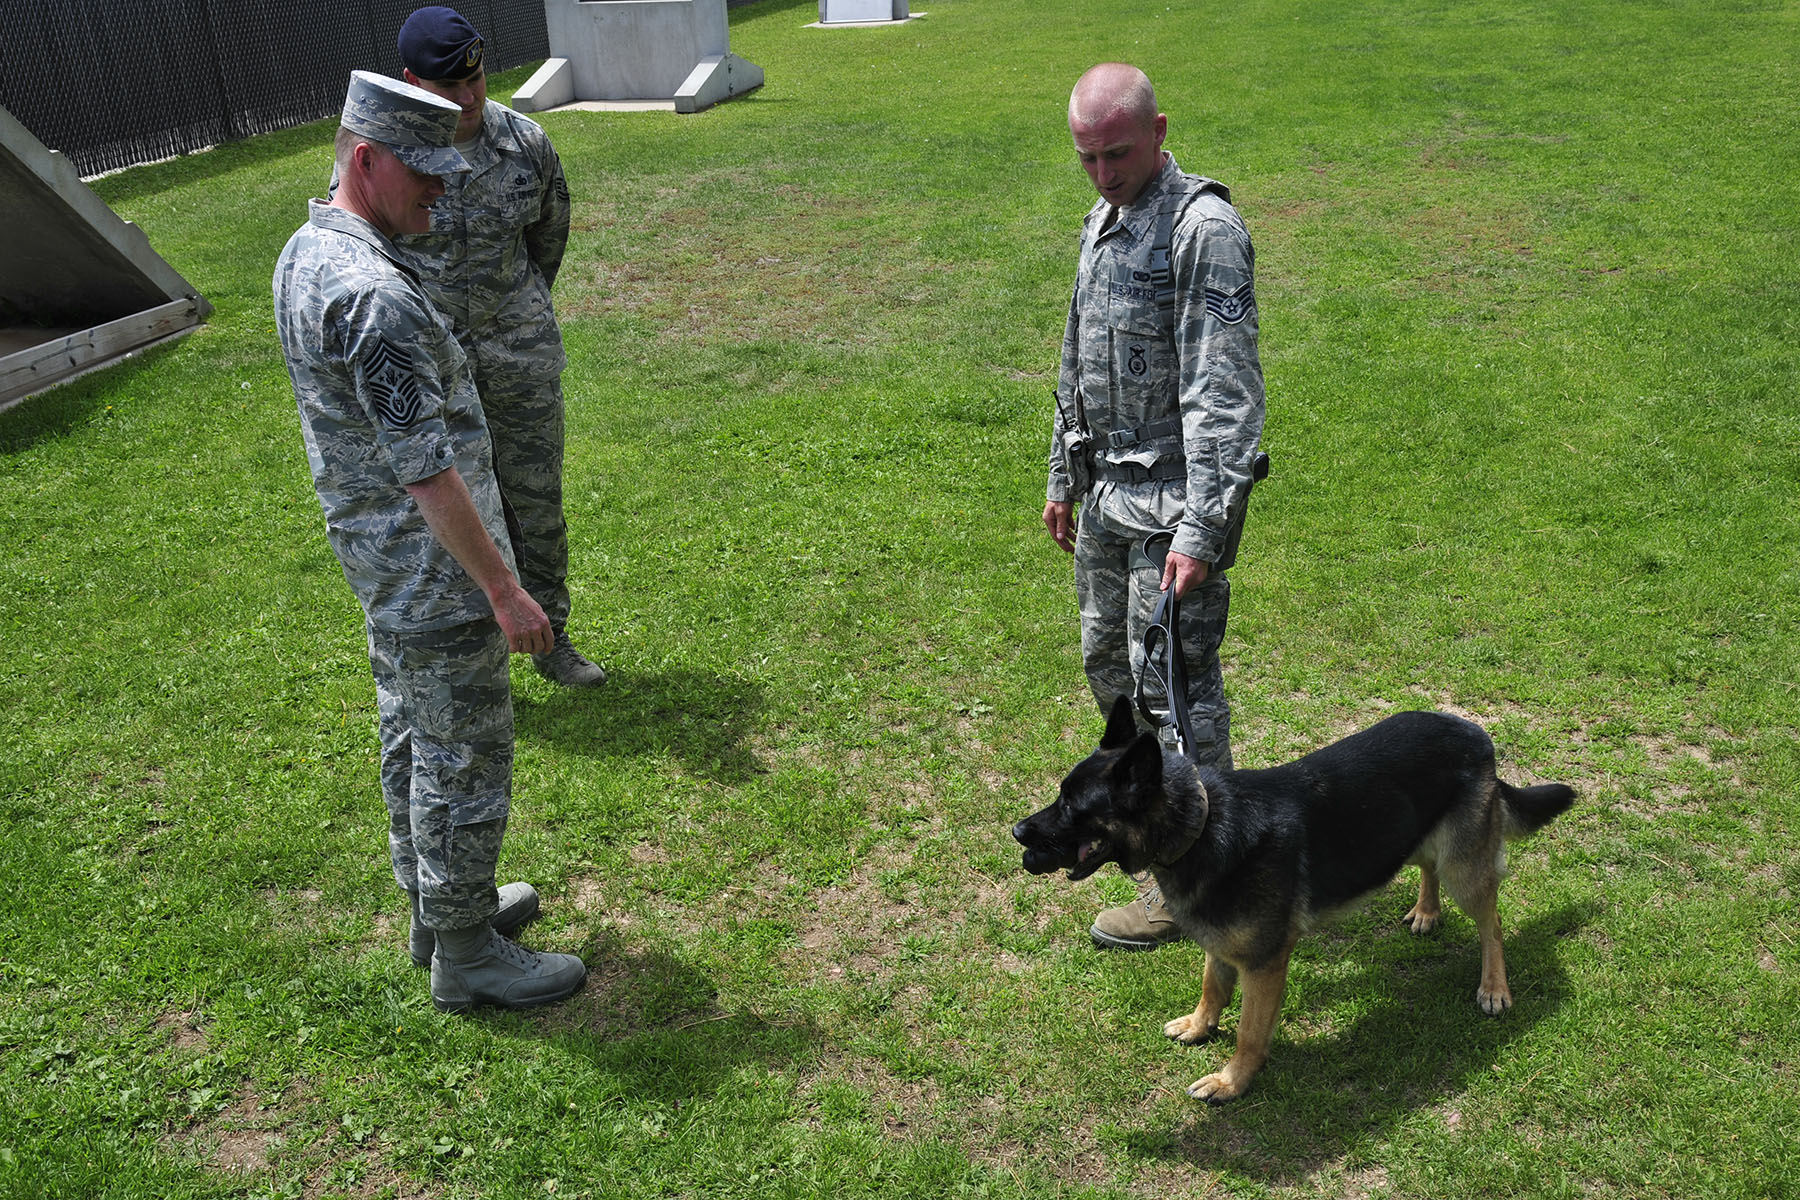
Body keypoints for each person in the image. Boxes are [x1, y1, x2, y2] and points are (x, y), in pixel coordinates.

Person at [274, 70, 587, 1011]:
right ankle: (465, 953)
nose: (443, 190)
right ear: (364, 160)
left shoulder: (309, 248)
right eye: (424, 174)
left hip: (385, 561)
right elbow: (428, 469)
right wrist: (503, 588)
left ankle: (438, 906)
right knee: (463, 753)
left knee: (414, 732)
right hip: (434, 568)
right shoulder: (375, 295)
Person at [1042, 63, 1266, 951]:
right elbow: (1076, 354)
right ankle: (1147, 838)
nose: (1102, 173)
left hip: (1175, 511)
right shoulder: (1106, 217)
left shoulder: (1200, 228)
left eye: (1118, 154)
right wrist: (1065, 473)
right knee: (1116, 687)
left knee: (1178, 696)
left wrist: (1205, 527)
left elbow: (1225, 395)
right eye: (1087, 157)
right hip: (1109, 499)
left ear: (1161, 130)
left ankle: (1207, 880)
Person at [392, 5, 603, 688]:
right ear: (412, 82)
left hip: (520, 359)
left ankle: (553, 640)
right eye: (449, 88)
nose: (468, 98)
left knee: (535, 502)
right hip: (434, 371)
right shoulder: (392, 156)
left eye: (476, 81)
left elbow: (549, 239)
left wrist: (515, 314)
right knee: (449, 513)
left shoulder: (526, 143)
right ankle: (470, 661)